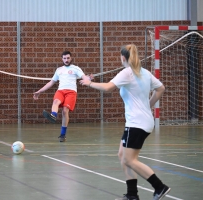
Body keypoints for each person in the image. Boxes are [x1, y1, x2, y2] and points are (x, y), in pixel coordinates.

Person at [79, 44, 170, 200]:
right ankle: (132, 195)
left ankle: (159, 187)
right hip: (142, 122)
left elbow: (108, 88)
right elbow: (161, 88)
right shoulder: (145, 73)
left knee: (129, 159)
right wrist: (148, 104)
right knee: (122, 155)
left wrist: (90, 83)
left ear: (123, 57)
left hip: (137, 124)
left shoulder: (127, 73)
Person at [33, 50, 91, 142]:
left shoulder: (76, 68)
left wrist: (88, 79)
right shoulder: (59, 70)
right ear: (62, 59)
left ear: (71, 58)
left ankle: (63, 135)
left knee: (65, 111)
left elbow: (84, 77)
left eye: (68, 58)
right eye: (64, 58)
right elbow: (51, 82)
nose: (66, 60)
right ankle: (53, 116)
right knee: (56, 101)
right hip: (60, 91)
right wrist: (39, 91)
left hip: (71, 92)